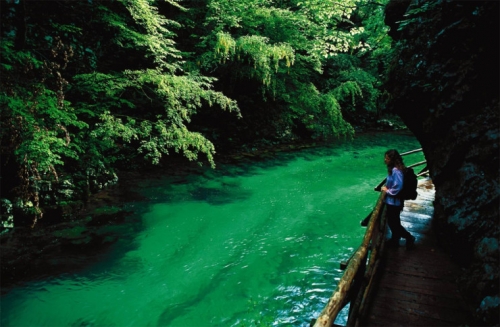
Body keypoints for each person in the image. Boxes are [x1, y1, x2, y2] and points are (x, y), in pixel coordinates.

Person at [381, 149, 416, 249]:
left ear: (392, 159)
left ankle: (409, 237)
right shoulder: (395, 169)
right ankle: (394, 240)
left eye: (387, 158)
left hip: (394, 202)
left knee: (393, 223)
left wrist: (387, 190)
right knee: (394, 222)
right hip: (393, 201)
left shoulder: (396, 170)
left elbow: (398, 186)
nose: (385, 160)